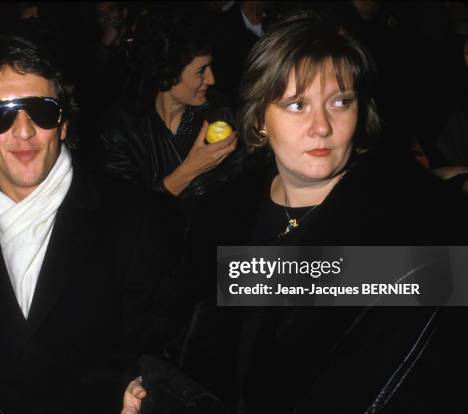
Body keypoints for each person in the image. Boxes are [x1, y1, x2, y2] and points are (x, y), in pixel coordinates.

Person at [124, 10, 468, 413]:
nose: (321, 126)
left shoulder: (416, 219)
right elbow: (180, 337)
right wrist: (150, 386)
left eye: (341, 101)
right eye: (296, 105)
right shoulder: (222, 213)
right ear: (260, 120)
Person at [0, 35, 173, 414]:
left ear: (63, 124)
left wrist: (132, 391)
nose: (23, 131)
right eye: (1, 115)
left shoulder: (133, 213)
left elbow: (150, 341)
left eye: (42, 112)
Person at [100, 12, 245, 219]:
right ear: (168, 71)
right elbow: (128, 215)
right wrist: (190, 170)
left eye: (210, 67)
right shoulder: (121, 129)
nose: (211, 79)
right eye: (201, 71)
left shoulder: (223, 113)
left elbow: (239, 203)